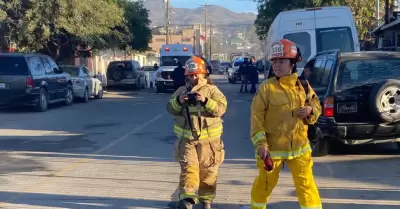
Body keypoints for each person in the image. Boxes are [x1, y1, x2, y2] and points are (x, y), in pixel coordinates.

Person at [249, 39, 323, 209]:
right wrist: (261, 144)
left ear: (292, 63)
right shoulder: (266, 89)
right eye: (274, 62)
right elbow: (256, 117)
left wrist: (310, 110)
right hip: (272, 150)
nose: (277, 65)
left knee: (306, 187)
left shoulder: (302, 86)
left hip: (300, 148)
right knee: (264, 185)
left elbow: (317, 106)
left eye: (281, 61)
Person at [167, 55, 227, 209]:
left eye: (196, 75)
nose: (193, 78)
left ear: (204, 74)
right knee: (189, 169)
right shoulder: (181, 90)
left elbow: (221, 109)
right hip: (187, 141)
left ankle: (206, 200)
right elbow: (170, 109)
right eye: (190, 75)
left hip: (210, 142)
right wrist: (179, 101)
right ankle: (187, 199)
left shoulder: (212, 90)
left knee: (208, 172)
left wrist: (206, 101)